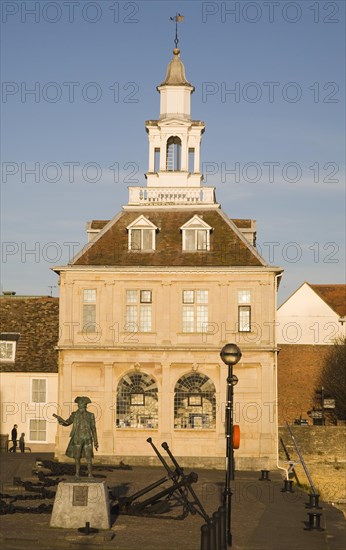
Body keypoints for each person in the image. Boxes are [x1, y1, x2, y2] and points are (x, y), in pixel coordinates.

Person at [53, 396, 98, 478]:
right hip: (77, 438)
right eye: (79, 404)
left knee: (89, 457)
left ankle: (90, 474)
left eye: (82, 403)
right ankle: (77, 474)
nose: (80, 405)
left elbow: (93, 428)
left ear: (85, 405)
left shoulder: (91, 415)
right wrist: (61, 421)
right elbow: (67, 423)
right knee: (77, 457)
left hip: (87, 438)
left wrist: (96, 442)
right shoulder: (74, 414)